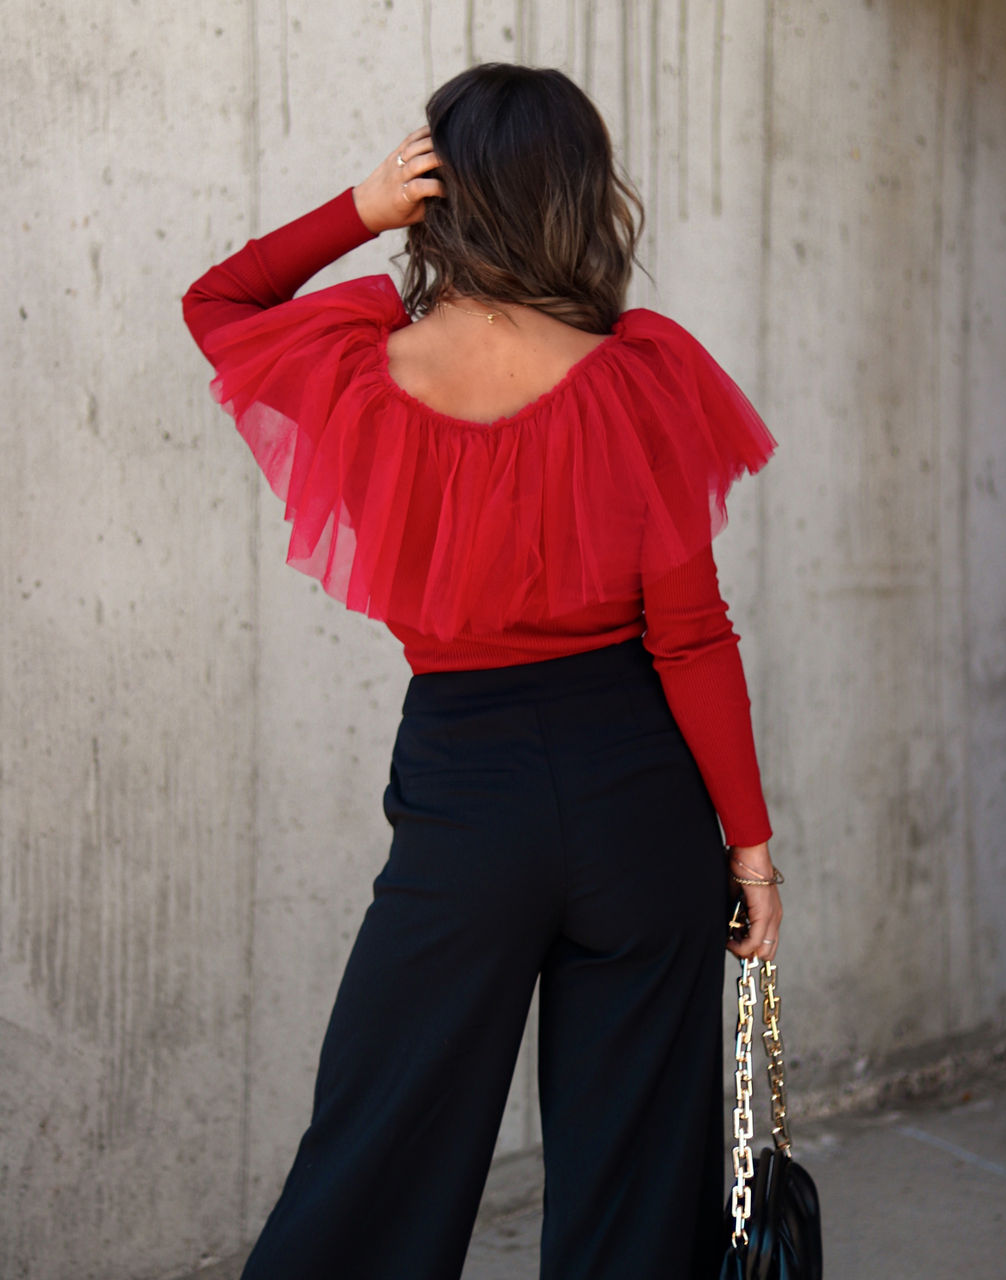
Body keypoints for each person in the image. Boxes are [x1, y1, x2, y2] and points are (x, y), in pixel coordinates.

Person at [183, 61, 782, 1280]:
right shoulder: (640, 374)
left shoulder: (364, 369)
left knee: (376, 1157)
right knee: (636, 1182)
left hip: (468, 792)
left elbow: (218, 302)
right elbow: (691, 633)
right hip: (639, 792)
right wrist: (751, 849)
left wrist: (355, 210)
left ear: (439, 192)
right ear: (577, 195)